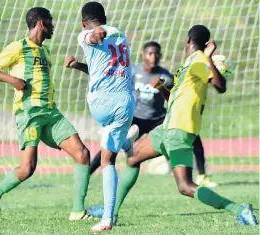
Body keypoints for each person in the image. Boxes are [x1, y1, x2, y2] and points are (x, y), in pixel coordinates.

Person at [86, 25, 258, 226]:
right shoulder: (187, 65)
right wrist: (162, 89)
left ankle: (239, 209)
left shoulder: (199, 60)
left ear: (187, 42)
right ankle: (111, 212)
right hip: (166, 128)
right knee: (132, 158)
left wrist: (208, 56)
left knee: (185, 186)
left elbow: (220, 86)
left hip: (179, 131)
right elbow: (174, 98)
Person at [0, 7, 92, 222]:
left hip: (51, 113)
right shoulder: (18, 47)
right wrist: (13, 80)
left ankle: (78, 211)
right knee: (27, 169)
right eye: (50, 22)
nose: (53, 26)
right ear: (41, 23)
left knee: (82, 154)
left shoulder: (45, 51)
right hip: (29, 114)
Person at [88, 41, 217, 188]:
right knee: (112, 142)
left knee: (195, 138)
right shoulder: (133, 72)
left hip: (158, 119)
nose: (153, 57)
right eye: (150, 53)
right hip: (137, 118)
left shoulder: (166, 76)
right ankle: (88, 174)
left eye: (156, 54)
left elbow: (173, 98)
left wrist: (162, 87)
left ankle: (202, 176)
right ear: (143, 55)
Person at [65, 2, 138, 232]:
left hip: (102, 103)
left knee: (107, 161)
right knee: (111, 140)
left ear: (83, 22)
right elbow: (101, 68)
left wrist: (95, 33)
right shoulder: (121, 36)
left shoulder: (85, 33)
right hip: (126, 102)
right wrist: (78, 65)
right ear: (105, 17)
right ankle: (126, 141)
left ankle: (107, 219)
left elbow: (92, 37)